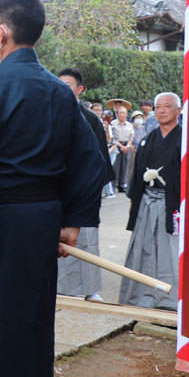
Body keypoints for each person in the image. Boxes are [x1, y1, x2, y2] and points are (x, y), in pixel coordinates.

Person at [0, 0, 106, 377]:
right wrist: (71, 221)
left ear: (0, 34)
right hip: (42, 223)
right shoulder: (60, 92)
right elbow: (89, 161)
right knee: (34, 324)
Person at [119, 92, 182, 311]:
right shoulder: (147, 139)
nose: (162, 110)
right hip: (146, 202)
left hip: (171, 205)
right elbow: (136, 174)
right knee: (143, 249)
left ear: (178, 111)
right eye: (158, 107)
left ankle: (172, 300)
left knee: (171, 252)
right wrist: (133, 203)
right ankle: (141, 296)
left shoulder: (184, 140)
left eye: (167, 106)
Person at [55, 68, 115, 301]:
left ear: (79, 90)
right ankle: (57, 287)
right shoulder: (48, 112)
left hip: (83, 189)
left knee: (86, 239)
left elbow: (99, 160)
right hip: (56, 188)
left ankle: (90, 289)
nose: (62, 89)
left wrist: (91, 190)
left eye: (68, 85)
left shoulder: (90, 118)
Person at [107, 100, 134, 192]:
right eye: (120, 112)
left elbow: (131, 136)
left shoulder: (129, 125)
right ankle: (113, 185)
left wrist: (128, 146)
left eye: (124, 113)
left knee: (125, 166)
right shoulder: (113, 124)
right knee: (115, 166)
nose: (122, 114)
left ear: (126, 114)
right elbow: (113, 137)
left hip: (127, 146)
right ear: (117, 113)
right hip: (116, 145)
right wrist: (120, 146)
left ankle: (122, 185)